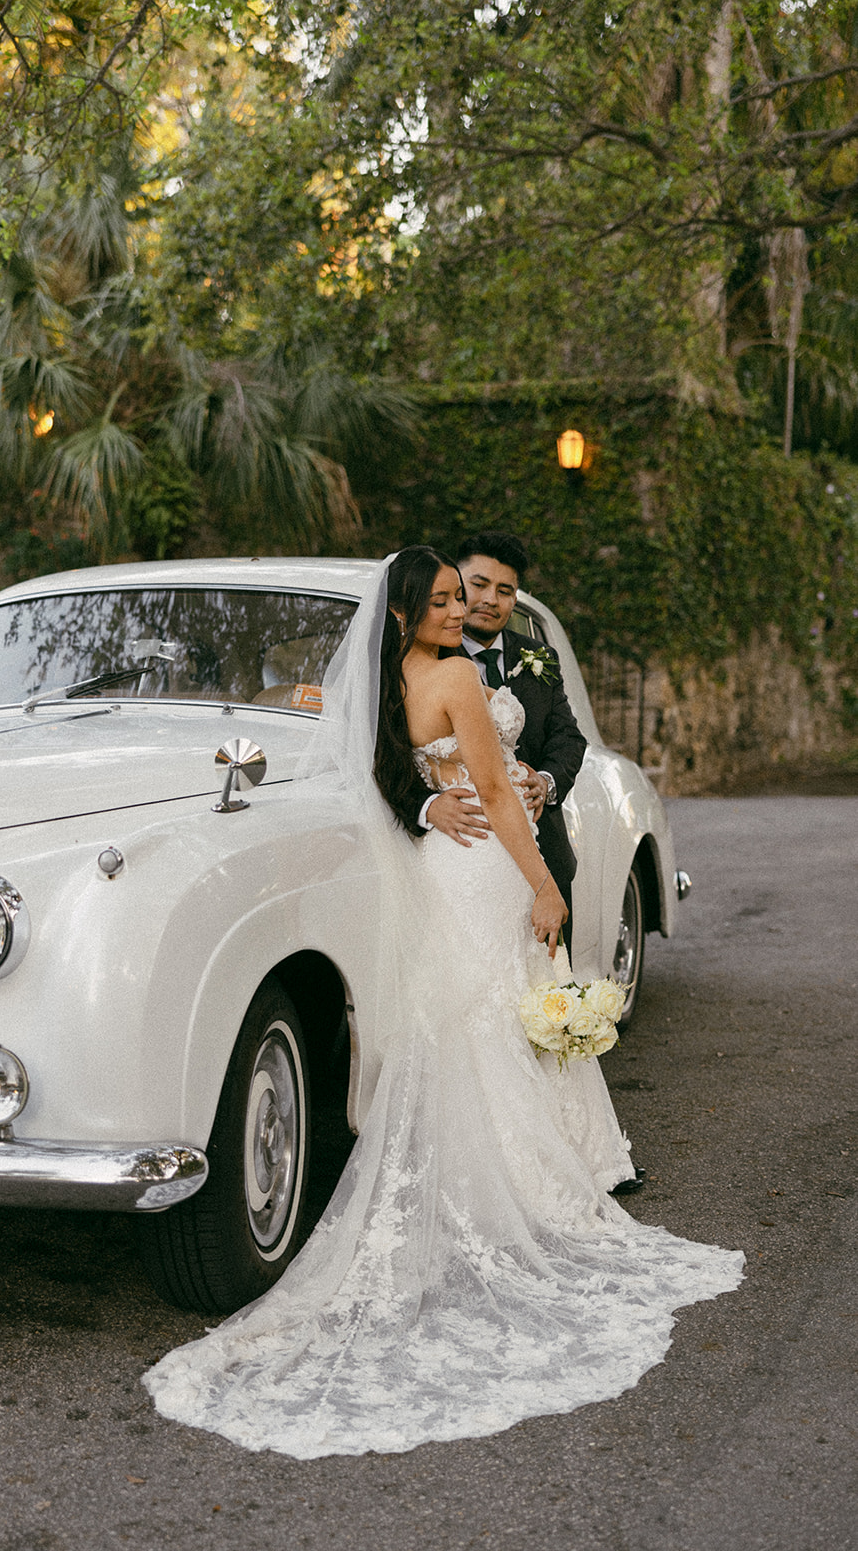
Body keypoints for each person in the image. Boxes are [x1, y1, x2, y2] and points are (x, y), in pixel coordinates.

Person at [143, 548, 743, 1460]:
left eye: (458, 598)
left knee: (460, 1020)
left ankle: (495, 1174)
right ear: (407, 613)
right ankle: (523, 1188)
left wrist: (432, 807)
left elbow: (404, 770)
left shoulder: (386, 684)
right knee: (497, 1014)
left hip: (436, 864)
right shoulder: (458, 672)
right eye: (439, 601)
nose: (458, 610)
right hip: (483, 862)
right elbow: (496, 789)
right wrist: (544, 885)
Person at [396, 531, 585, 943]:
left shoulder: (539, 656)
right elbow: (386, 754)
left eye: (505, 590)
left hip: (541, 845)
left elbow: (569, 737)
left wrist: (546, 782)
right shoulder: (437, 664)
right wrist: (426, 805)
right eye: (476, 586)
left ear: (516, 598)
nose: (485, 601)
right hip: (472, 841)